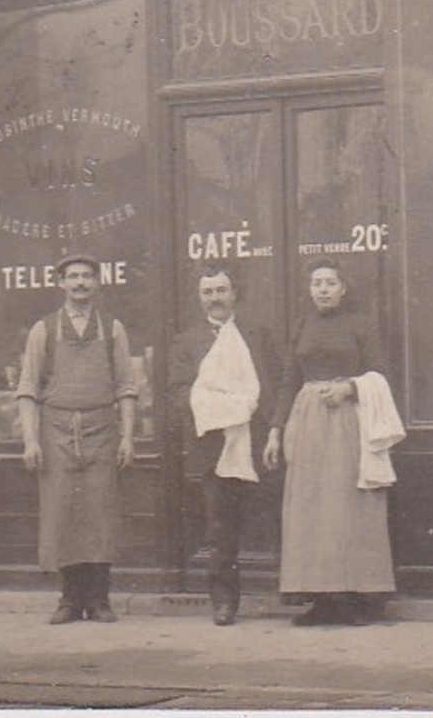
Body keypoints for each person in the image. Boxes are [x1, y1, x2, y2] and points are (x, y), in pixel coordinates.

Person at [262, 258, 402, 626]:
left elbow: (381, 374)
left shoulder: (360, 325)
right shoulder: (303, 326)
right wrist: (276, 430)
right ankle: (321, 599)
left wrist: (349, 388)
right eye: (316, 283)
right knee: (311, 511)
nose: (322, 289)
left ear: (343, 288)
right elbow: (288, 380)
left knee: (348, 508)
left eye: (329, 283)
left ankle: (355, 598)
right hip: (307, 423)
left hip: (349, 422)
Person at [16, 253, 136, 624]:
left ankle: (100, 600)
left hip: (102, 428)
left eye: (87, 276)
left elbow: (126, 387)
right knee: (62, 512)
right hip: (56, 430)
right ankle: (69, 600)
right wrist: (30, 440)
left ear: (98, 283)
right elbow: (28, 388)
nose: (81, 283)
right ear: (61, 284)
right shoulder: (44, 330)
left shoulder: (113, 328)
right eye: (73, 277)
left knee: (100, 513)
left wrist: (128, 437)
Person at [166, 265, 281, 626]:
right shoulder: (186, 342)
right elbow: (178, 393)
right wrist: (223, 404)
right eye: (208, 292)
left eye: (221, 290)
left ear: (234, 294)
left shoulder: (257, 336)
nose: (215, 298)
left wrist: (275, 430)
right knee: (221, 528)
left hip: (258, 441)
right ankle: (224, 602)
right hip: (214, 447)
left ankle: (289, 593)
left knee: (275, 517)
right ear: (200, 298)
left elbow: (275, 385)